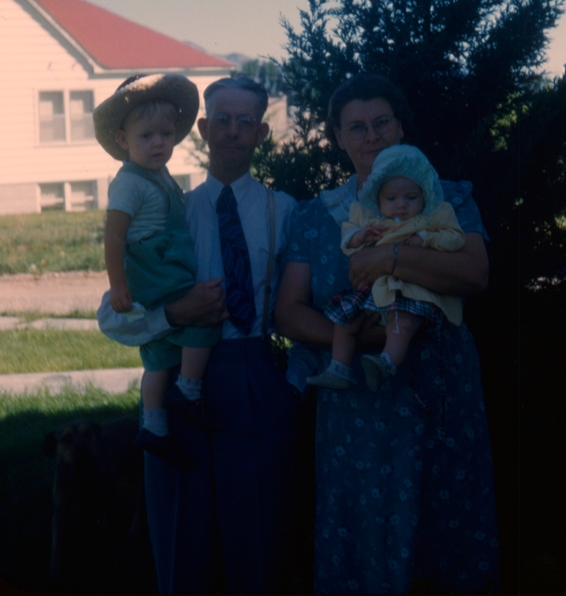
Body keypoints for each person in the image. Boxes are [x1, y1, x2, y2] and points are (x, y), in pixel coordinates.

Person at [276, 73, 499, 594]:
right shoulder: (317, 216)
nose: (370, 136)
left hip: (440, 394)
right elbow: (288, 312)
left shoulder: (448, 199)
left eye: (381, 123)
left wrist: (393, 256)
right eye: (356, 127)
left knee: (446, 526)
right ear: (337, 137)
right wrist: (357, 337)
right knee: (363, 529)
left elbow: (475, 273)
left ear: (401, 127)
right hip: (357, 405)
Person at [97, 76, 298, 594]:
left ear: (260, 133)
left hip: (252, 375)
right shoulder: (168, 207)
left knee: (255, 535)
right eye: (222, 121)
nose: (233, 132)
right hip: (181, 383)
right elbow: (113, 318)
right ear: (204, 130)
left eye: (246, 121)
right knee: (183, 532)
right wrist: (173, 314)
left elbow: (300, 308)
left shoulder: (286, 212)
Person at [94, 74, 221, 466]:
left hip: (163, 262)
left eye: (166, 134)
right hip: (156, 268)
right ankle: (188, 389)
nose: (159, 143)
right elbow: (114, 237)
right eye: (147, 136)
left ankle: (153, 426)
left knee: (159, 352)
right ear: (122, 141)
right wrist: (118, 285)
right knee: (204, 318)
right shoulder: (129, 184)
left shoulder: (158, 173)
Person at [307, 143, 464, 393]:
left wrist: (427, 239)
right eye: (391, 198)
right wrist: (361, 236)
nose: (401, 205)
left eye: (411, 198)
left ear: (424, 195)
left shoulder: (434, 216)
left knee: (400, 322)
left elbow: (456, 238)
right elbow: (347, 239)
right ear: (378, 198)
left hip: (408, 288)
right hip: (372, 289)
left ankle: (387, 362)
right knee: (345, 321)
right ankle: (338, 368)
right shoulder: (369, 217)